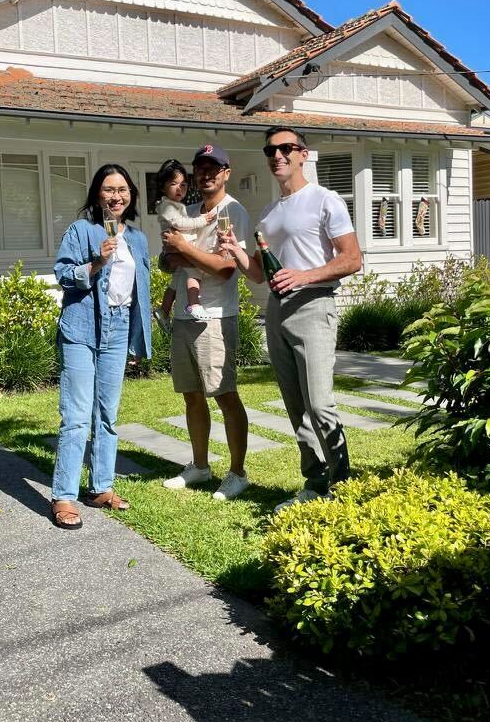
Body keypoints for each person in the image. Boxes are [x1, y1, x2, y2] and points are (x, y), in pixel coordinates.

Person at [220, 126, 363, 511]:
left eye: (286, 148)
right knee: (296, 407)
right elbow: (259, 273)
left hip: (314, 306)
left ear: (303, 154)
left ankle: (345, 487)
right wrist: (236, 250)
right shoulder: (268, 213)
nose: (277, 155)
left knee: (319, 404)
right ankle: (315, 485)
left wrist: (305, 275)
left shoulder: (324, 200)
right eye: (270, 150)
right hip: (277, 309)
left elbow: (352, 258)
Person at [50, 163, 152, 528]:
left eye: (122, 190)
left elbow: (141, 291)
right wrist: (97, 262)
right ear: (97, 194)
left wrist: (140, 339)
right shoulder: (82, 230)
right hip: (81, 327)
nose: (116, 196)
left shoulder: (138, 239)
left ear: (131, 196)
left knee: (107, 414)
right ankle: (64, 495)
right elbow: (63, 274)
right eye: (109, 190)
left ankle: (101, 487)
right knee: (76, 416)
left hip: (119, 327)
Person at [159, 144, 251, 501]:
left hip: (214, 318)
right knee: (192, 396)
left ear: (227, 172)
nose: (207, 174)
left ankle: (238, 472)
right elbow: (167, 262)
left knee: (225, 395)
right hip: (184, 314)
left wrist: (184, 249)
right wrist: (175, 253)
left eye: (215, 168)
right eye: (201, 168)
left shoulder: (233, 211)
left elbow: (228, 269)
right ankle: (199, 465)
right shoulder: (188, 211)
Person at [154, 158, 217, 327]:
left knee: (176, 282)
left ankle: (164, 311)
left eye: (183, 185)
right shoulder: (167, 206)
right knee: (194, 272)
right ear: (163, 186)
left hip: (176, 247)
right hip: (176, 248)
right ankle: (194, 304)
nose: (179, 188)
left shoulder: (176, 205)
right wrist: (202, 221)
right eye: (174, 184)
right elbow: (180, 224)